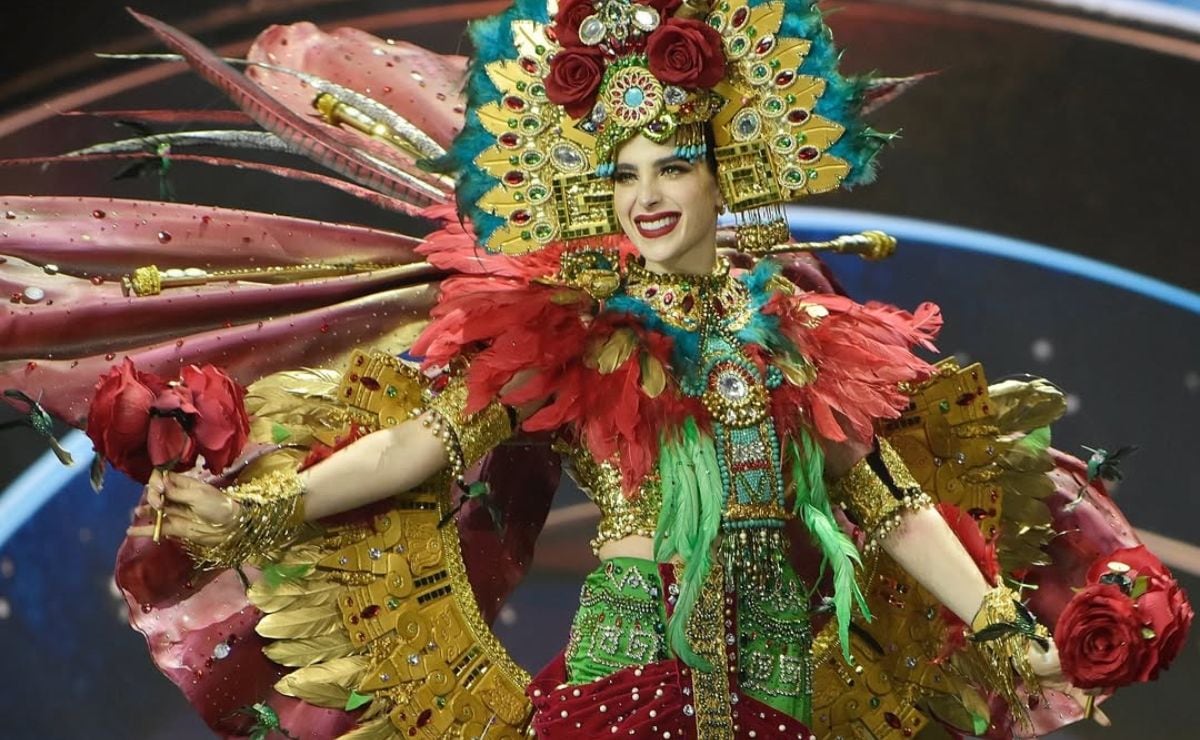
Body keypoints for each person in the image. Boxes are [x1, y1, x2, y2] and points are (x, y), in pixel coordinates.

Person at [4, 1, 1188, 738]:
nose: (648, 195)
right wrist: (257, 504)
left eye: (673, 164)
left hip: (780, 702)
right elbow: (427, 445)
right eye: (621, 175)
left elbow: (884, 499)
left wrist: (993, 619)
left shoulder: (799, 332)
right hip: (622, 696)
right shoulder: (564, 319)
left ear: (730, 169)